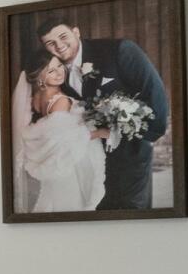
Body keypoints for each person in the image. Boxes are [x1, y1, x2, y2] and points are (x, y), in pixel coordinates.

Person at [41, 21, 168, 211]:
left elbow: (153, 90)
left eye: (63, 36)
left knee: (133, 212)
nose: (59, 46)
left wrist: (147, 135)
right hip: (91, 157)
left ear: (76, 32)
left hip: (131, 152)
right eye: (50, 43)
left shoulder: (118, 50)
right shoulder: (56, 72)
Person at [11, 52, 106, 213]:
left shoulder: (35, 98)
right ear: (39, 78)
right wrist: (99, 133)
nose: (59, 72)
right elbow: (64, 142)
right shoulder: (60, 101)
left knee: (50, 203)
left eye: (59, 66)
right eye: (51, 71)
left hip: (51, 166)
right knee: (69, 207)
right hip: (65, 167)